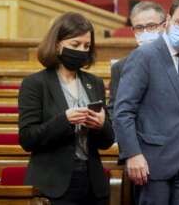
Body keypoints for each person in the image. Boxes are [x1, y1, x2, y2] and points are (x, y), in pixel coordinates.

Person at [113, 0, 179, 204]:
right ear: (168, 20)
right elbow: (123, 111)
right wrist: (132, 154)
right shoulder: (144, 55)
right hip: (152, 163)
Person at [18, 12, 115, 205]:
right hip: (54, 184)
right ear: (57, 44)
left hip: (92, 182)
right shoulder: (35, 83)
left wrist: (101, 125)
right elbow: (27, 138)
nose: (82, 50)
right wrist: (65, 120)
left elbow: (107, 141)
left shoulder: (94, 83)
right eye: (75, 44)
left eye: (87, 46)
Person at [108, 1, 166, 119]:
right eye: (139, 28)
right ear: (133, 30)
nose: (145, 32)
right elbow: (115, 111)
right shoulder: (120, 67)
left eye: (151, 26)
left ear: (164, 26)